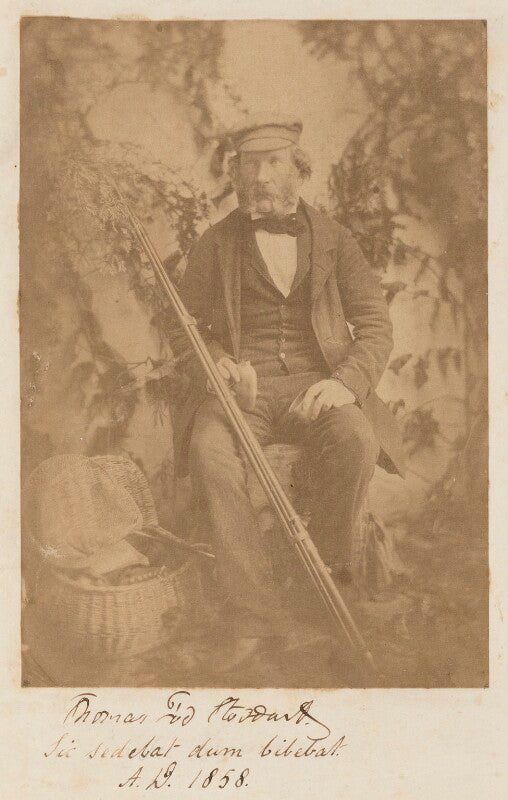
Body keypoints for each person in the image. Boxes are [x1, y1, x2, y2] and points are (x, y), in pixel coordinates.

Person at [168, 115, 405, 670]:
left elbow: (375, 325)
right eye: (250, 165)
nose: (261, 177)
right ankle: (254, 613)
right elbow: (184, 329)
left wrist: (343, 383)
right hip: (242, 393)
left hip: (316, 385)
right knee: (208, 450)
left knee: (356, 440)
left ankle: (320, 587)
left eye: (273, 163)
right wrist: (220, 365)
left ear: (298, 169)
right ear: (235, 174)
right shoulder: (215, 243)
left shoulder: (336, 240)